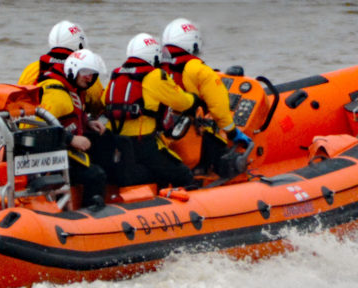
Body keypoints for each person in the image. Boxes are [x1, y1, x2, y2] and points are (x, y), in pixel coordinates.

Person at [160, 17, 251, 176]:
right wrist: (233, 133)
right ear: (192, 43)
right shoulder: (200, 71)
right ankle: (208, 172)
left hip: (165, 135)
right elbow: (219, 110)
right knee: (218, 139)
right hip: (192, 140)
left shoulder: (157, 67)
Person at [104, 33, 196, 189]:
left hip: (117, 143)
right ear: (155, 55)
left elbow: (103, 101)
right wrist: (195, 98)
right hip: (144, 145)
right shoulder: (155, 76)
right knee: (183, 174)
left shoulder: (117, 75)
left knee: (158, 173)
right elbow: (182, 103)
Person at [37, 47, 113, 208]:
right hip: (49, 155)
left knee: (105, 142)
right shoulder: (57, 94)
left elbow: (70, 115)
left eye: (92, 74)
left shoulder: (71, 89)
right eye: (85, 72)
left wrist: (87, 122)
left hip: (60, 147)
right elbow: (37, 128)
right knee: (96, 175)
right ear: (72, 70)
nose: (89, 78)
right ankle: (90, 216)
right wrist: (71, 139)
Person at [18, 20, 105, 113]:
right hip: (66, 123)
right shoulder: (84, 69)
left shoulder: (32, 68)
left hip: (32, 121)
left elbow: (19, 98)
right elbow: (98, 103)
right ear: (80, 44)